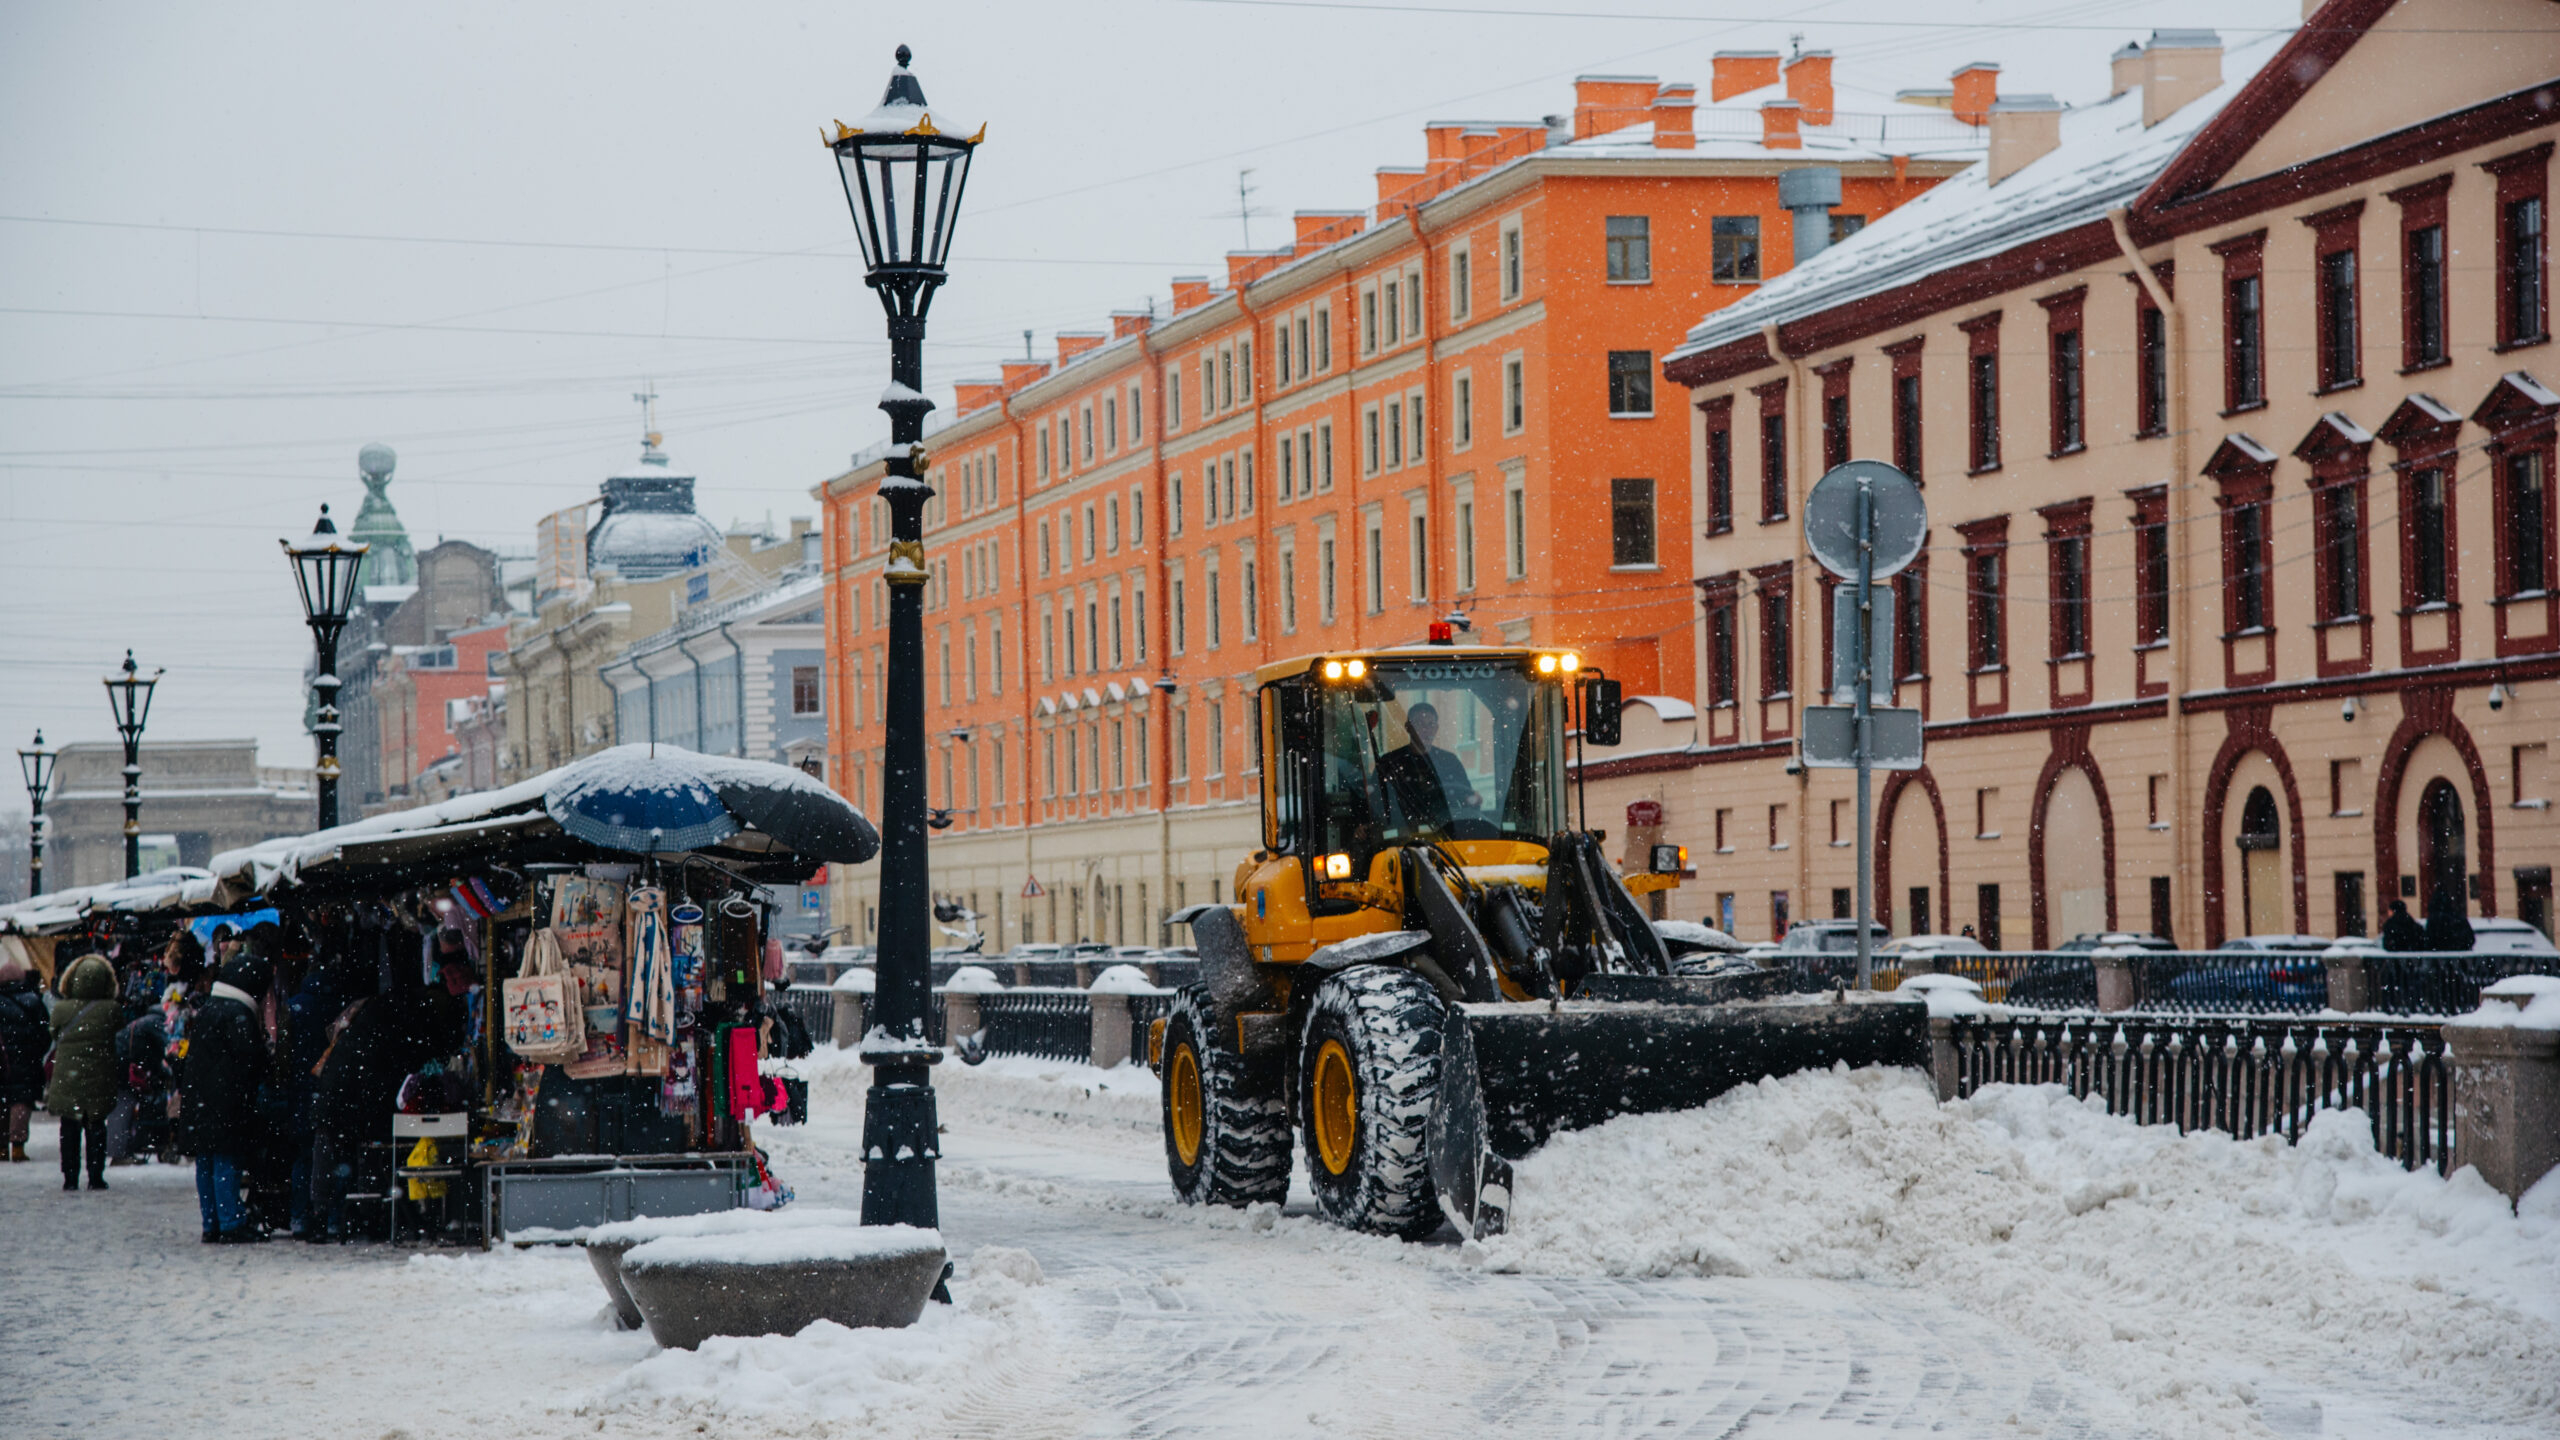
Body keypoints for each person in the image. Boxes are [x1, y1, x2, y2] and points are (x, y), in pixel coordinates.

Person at [180, 952, 273, 1242]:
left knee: (206, 1161)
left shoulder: (209, 1009)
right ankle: (231, 1222)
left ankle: (212, 1222)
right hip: (226, 1103)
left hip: (201, 1101)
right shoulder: (238, 1014)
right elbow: (249, 1060)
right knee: (226, 1160)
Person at [46, 954, 123, 1192]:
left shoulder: (60, 1009)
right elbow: (116, 1032)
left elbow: (53, 1033)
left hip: (67, 1078)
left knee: (69, 1129)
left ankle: (70, 1176)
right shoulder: (112, 1010)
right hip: (98, 1077)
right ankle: (95, 1176)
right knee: (96, 1127)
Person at [1375, 703, 1477, 834]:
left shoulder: (1450, 762)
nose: (1426, 730)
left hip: (1446, 835)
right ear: (1408, 727)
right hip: (1401, 835)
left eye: (1430, 725)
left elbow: (1466, 797)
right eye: (1419, 724)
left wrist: (1472, 800)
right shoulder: (1390, 763)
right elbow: (1376, 803)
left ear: (1436, 728)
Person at [0, 954, 51, 1162]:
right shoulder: (32, 1000)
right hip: (26, 1059)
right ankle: (18, 1146)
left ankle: (1, 1147)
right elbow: (44, 1032)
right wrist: (35, 1051)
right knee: (21, 1102)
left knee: (2, 1102)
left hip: (2, 1061)